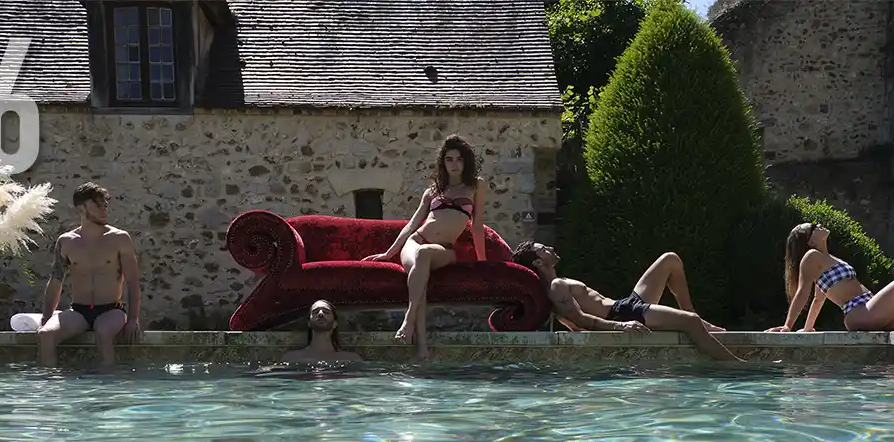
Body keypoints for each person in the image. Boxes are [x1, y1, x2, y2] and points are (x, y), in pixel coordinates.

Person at [363, 134, 488, 361]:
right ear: (443, 162)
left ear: (465, 161)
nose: (454, 164)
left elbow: (477, 227)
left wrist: (482, 263)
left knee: (423, 258)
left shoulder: (476, 186)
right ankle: (422, 349)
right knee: (419, 265)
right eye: (449, 159)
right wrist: (388, 253)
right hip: (416, 242)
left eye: (459, 159)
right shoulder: (432, 191)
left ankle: (408, 321)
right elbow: (412, 225)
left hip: (444, 250)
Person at [510, 241, 743, 363]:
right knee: (689, 322)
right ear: (539, 263)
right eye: (543, 249)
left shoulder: (559, 283)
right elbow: (580, 320)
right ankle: (735, 365)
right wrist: (622, 326)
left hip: (625, 304)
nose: (550, 248)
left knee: (670, 260)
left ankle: (702, 321)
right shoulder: (555, 287)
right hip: (621, 314)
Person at [37, 182, 142, 366]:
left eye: (105, 205)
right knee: (45, 335)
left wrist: (133, 319)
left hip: (111, 310)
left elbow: (133, 281)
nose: (104, 210)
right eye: (97, 205)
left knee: (103, 333)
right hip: (79, 310)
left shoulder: (119, 238)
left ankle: (107, 386)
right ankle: (50, 387)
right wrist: (46, 317)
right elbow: (56, 280)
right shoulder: (67, 241)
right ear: (81, 209)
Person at [281, 300, 363, 362]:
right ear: (309, 323)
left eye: (326, 312)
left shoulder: (351, 359)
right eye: (315, 312)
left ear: (335, 324)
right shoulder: (291, 358)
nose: (320, 314)